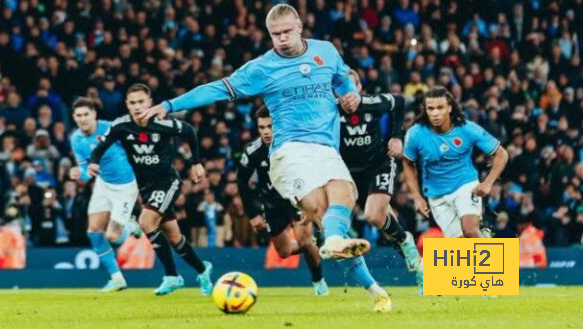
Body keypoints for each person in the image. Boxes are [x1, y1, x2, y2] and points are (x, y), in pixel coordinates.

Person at [140, 4, 391, 311]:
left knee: (346, 195)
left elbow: (342, 81)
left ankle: (371, 286)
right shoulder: (262, 68)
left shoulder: (325, 51)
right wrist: (170, 103)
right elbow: (218, 88)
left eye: (287, 32)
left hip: (326, 148)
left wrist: (350, 93)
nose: (282, 39)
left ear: (299, 27)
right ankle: (339, 245)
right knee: (320, 208)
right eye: (275, 34)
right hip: (290, 151)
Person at [89, 83, 213, 296]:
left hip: (167, 182)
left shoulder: (162, 122)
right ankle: (203, 270)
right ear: (127, 105)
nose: (137, 107)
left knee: (146, 222)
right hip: (146, 188)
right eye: (133, 103)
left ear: (150, 103)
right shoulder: (121, 126)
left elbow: (190, 131)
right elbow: (102, 144)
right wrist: (94, 161)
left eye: (141, 102)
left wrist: (196, 162)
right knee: (174, 237)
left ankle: (172, 277)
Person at [340, 71, 423, 292]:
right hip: (349, 172)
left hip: (379, 163)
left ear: (360, 88)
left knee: (373, 215)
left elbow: (400, 101)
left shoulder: (371, 102)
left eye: (352, 86)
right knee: (380, 217)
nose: (347, 93)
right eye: (341, 87)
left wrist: (396, 136)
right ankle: (417, 262)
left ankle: (405, 240)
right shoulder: (328, 109)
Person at [237, 106, 328, 296]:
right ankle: (314, 245)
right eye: (261, 128)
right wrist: (252, 214)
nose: (266, 132)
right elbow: (242, 182)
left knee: (303, 240)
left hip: (296, 199)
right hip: (271, 204)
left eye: (270, 126)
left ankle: (318, 280)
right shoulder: (253, 152)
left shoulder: (294, 144)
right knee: (284, 252)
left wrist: (310, 200)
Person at [403, 86, 509, 240]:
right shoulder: (415, 134)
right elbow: (407, 163)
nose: (435, 113)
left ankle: (494, 261)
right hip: (436, 194)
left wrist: (488, 183)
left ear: (450, 108)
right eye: (430, 108)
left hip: (465, 185)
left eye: (440, 108)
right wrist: (417, 197)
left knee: (470, 231)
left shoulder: (467, 129)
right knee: (460, 244)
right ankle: (486, 241)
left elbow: (502, 154)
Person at [69, 97, 143, 291]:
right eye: (79, 115)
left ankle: (130, 224)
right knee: (93, 231)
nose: (83, 119)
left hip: (126, 185)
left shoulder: (112, 128)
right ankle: (117, 278)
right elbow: (86, 173)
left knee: (112, 236)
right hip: (103, 184)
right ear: (74, 118)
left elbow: (136, 148)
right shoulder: (76, 139)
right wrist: (78, 174)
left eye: (86, 114)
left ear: (94, 114)